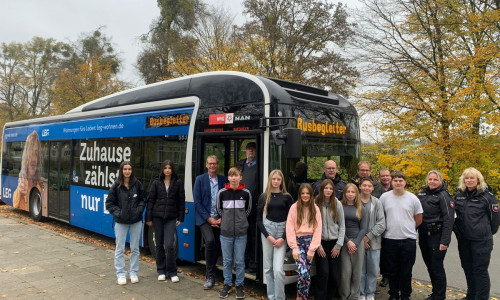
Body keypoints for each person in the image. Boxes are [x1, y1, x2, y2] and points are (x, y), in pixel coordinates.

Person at [454, 167, 499, 300]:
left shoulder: (488, 196)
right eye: (466, 178)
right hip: (464, 240)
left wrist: (485, 232)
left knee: (480, 271)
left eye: (472, 178)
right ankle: (471, 295)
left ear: (478, 179)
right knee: (467, 268)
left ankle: (481, 297)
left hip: (481, 241)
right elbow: (456, 215)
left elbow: (495, 220)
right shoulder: (460, 194)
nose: (469, 180)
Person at [380, 171, 423, 300]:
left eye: (400, 180)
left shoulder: (413, 198)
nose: (398, 183)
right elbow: (380, 216)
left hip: (408, 240)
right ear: (391, 182)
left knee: (406, 271)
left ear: (405, 182)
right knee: (392, 270)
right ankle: (393, 294)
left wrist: (408, 228)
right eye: (395, 180)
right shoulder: (384, 197)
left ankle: (405, 295)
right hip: (389, 239)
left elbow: (419, 218)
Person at [105, 161, 146, 285]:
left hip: (136, 221)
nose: (127, 171)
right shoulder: (116, 186)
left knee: (135, 248)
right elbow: (109, 204)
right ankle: (121, 274)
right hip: (120, 222)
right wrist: (119, 213)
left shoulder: (137, 184)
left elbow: (143, 199)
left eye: (129, 169)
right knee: (119, 248)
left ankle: (133, 272)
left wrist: (138, 211)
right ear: (121, 171)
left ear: (132, 170)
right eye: (125, 169)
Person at [145, 160, 185, 283]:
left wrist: (180, 217)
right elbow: (151, 200)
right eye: (165, 168)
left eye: (170, 168)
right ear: (162, 169)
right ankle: (161, 270)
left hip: (171, 218)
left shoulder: (178, 183)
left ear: (172, 170)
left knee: (169, 245)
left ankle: (172, 272)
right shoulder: (156, 182)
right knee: (159, 244)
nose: (167, 170)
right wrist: (148, 218)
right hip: (157, 217)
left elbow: (181, 201)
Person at [417, 170, 454, 300]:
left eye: (435, 179)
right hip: (423, 235)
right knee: (430, 265)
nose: (432, 182)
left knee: (436, 266)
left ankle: (440, 295)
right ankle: (435, 292)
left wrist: (445, 241)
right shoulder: (422, 193)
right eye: (430, 179)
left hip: (436, 236)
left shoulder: (444, 195)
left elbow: (449, 219)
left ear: (441, 181)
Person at [257, 169, 293, 300]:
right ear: (270, 180)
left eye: (278, 179)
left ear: (281, 180)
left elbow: (291, 220)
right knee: (268, 268)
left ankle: (280, 298)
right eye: (274, 179)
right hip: (268, 231)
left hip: (282, 233)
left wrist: (283, 238)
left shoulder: (287, 197)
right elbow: (259, 220)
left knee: (278, 270)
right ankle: (271, 296)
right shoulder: (264, 196)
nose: (276, 181)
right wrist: (268, 236)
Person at [217, 167, 252, 299]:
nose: (233, 178)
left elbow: (248, 210)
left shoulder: (246, 193)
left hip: (241, 233)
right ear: (228, 178)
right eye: (231, 175)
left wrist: (241, 221)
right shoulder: (222, 193)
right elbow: (219, 210)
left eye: (236, 175)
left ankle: (239, 286)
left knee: (239, 261)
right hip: (225, 233)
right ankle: (227, 285)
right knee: (227, 261)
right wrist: (226, 221)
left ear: (240, 177)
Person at [193, 155, 227, 290]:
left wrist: (222, 217)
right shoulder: (200, 180)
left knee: (218, 246)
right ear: (206, 165)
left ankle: (214, 274)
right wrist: (209, 218)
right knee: (210, 241)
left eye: (214, 164)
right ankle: (209, 276)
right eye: (210, 164)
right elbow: (197, 202)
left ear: (218, 165)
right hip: (204, 219)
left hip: (219, 219)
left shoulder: (223, 180)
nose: (212, 166)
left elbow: (226, 201)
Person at [286, 183, 322, 300]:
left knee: (307, 274)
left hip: (310, 243)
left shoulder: (315, 209)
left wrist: (312, 249)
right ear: (299, 194)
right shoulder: (294, 208)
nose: (305, 195)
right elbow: (290, 228)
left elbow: (318, 229)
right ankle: (299, 297)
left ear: (311, 195)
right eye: (303, 193)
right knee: (302, 273)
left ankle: (302, 297)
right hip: (298, 242)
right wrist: (294, 248)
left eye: (307, 193)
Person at [314, 179, 345, 300]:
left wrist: (338, 245)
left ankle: (330, 297)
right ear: (322, 190)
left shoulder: (338, 204)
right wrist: (318, 245)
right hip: (320, 243)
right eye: (326, 188)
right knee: (324, 273)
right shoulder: (316, 203)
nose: (328, 190)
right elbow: (312, 226)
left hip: (334, 243)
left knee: (334, 275)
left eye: (330, 188)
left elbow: (342, 226)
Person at [339, 183, 369, 300]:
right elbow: (338, 226)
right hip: (344, 242)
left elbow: (363, 228)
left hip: (358, 242)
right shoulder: (340, 206)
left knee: (357, 271)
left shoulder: (361, 208)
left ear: (356, 193)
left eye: (352, 192)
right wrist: (347, 242)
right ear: (344, 193)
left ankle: (355, 296)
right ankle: (344, 295)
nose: (350, 194)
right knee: (345, 272)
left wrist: (355, 242)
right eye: (348, 192)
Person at [359, 178, 386, 300]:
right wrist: (361, 239)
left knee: (373, 270)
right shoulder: (354, 201)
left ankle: (370, 293)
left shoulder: (377, 202)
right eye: (364, 185)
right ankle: (361, 293)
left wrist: (368, 237)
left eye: (369, 186)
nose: (366, 188)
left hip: (374, 242)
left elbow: (381, 224)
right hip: (357, 243)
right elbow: (351, 223)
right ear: (360, 186)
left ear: (372, 188)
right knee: (360, 271)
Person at [236, 141, 259, 273]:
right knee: (241, 235)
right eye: (249, 149)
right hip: (240, 207)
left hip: (254, 208)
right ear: (245, 151)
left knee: (252, 236)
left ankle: (252, 263)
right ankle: (241, 262)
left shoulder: (261, 166)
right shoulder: (240, 165)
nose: (251, 151)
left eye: (253, 149)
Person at [13, 131, 47, 211]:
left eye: (36, 153)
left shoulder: (42, 185)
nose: (33, 159)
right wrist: (19, 191)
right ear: (25, 156)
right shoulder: (21, 185)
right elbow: (15, 203)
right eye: (30, 153)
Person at [378, 168, 392, 287]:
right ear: (379, 178)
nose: (385, 178)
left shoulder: (396, 188)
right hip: (379, 225)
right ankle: (385, 276)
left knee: (390, 252)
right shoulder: (376, 189)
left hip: (392, 226)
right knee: (382, 253)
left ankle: (392, 276)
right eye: (383, 176)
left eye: (387, 176)